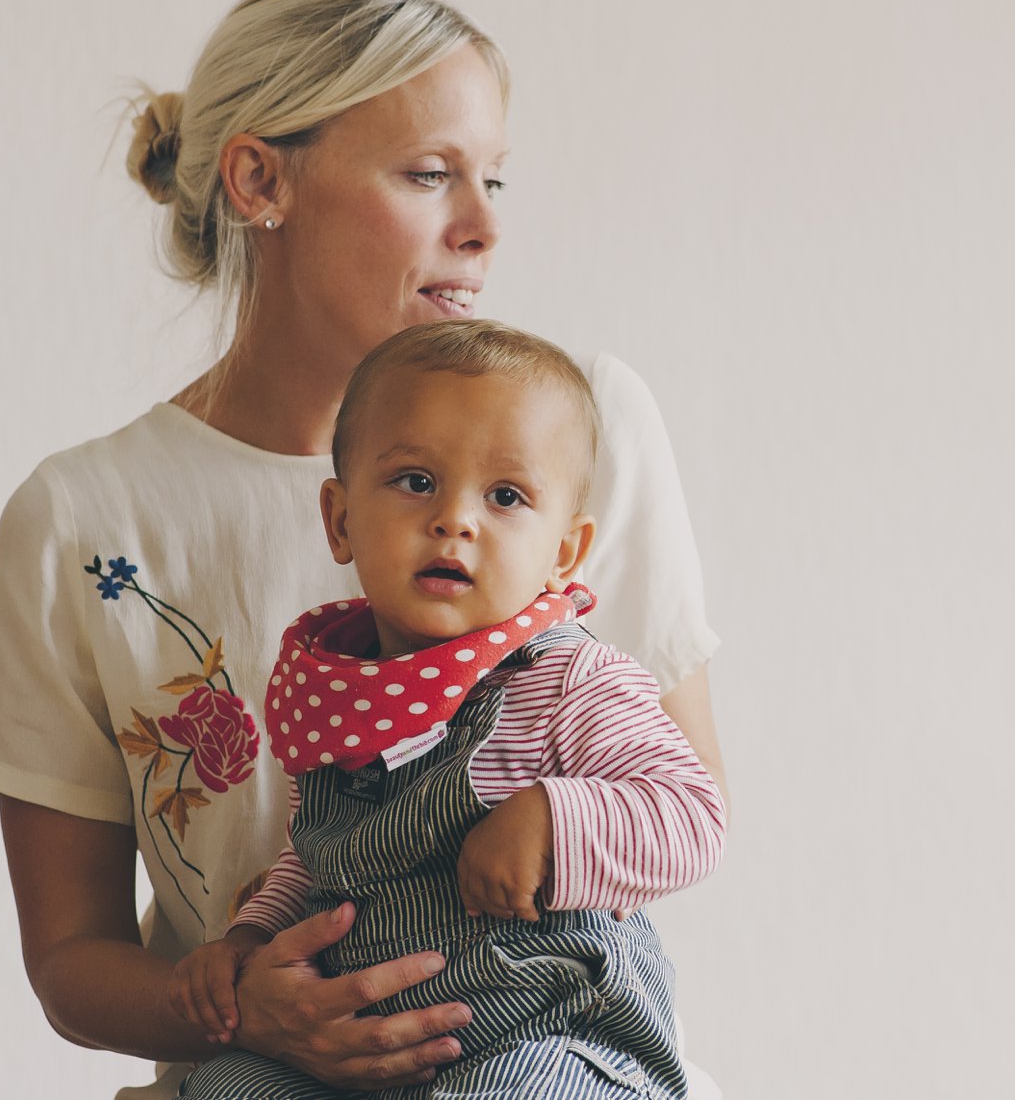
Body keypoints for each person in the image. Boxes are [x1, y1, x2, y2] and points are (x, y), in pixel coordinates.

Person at [0, 0, 728, 1100]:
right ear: (257, 181)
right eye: (429, 175)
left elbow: (682, 803)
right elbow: (72, 960)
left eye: (494, 180)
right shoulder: (83, 519)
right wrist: (250, 1007)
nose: (480, 228)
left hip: (533, 1053)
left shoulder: (582, 431)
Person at [173, 319, 724, 1100]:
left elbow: (693, 813)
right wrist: (250, 937)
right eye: (415, 481)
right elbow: (323, 852)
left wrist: (551, 817)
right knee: (226, 1087)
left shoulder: (571, 678)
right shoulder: (339, 694)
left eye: (506, 496)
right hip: (369, 1055)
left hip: (551, 1033)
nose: (455, 518)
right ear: (340, 519)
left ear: (564, 553)